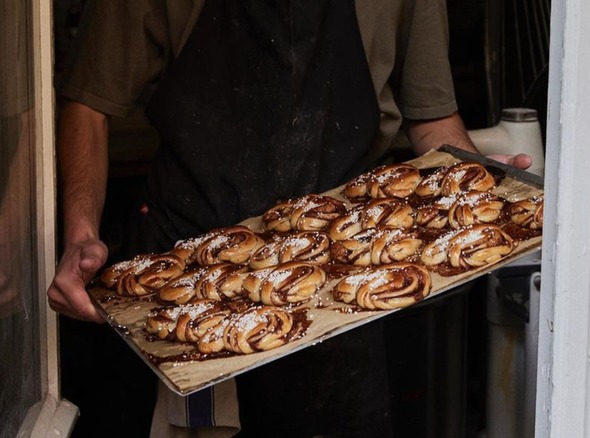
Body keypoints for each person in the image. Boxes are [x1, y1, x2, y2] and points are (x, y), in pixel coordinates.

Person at [46, 1, 533, 437]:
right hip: (193, 270)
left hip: (340, 275)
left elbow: (431, 118)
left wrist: (480, 182)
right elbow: (89, 104)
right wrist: (80, 233)